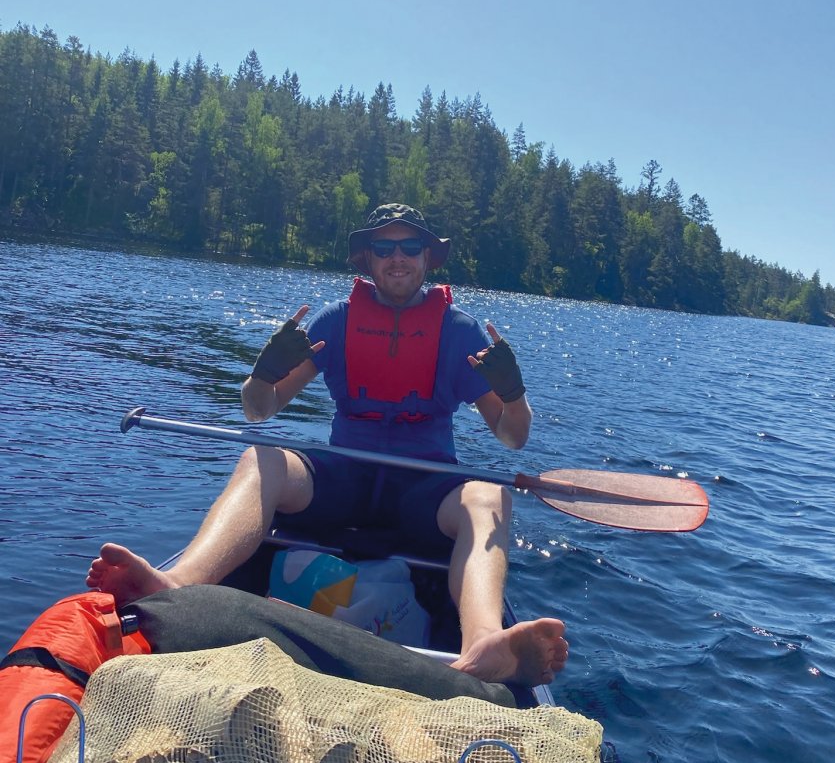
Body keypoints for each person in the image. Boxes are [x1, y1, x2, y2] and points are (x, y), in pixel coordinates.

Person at [87, 204, 568, 685]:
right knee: (262, 456)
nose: (397, 257)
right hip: (345, 479)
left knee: (490, 495)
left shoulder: (461, 332)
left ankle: (483, 641)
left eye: (410, 246)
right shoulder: (336, 320)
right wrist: (262, 375)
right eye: (384, 247)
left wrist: (514, 395)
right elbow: (259, 410)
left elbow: (513, 436)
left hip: (425, 488)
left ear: (428, 257)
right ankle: (178, 585)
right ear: (367, 258)